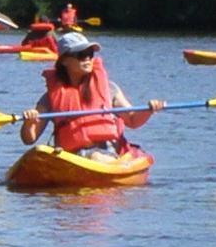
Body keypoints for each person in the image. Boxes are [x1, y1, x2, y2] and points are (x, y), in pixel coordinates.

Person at [18, 31, 163, 157]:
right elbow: (29, 139)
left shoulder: (108, 88)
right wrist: (29, 123)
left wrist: (149, 110)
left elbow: (132, 120)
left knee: (96, 157)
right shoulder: (51, 96)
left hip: (105, 152)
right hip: (69, 156)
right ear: (64, 61)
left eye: (90, 54)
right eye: (80, 55)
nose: (87, 58)